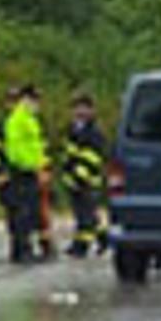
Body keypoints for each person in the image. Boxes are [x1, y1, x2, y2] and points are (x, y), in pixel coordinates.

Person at [0, 84, 51, 264]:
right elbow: (16, 148)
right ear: (25, 99)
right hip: (22, 171)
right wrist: (30, 166)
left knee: (30, 211)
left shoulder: (29, 118)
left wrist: (42, 166)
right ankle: (22, 250)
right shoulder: (18, 119)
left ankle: (25, 248)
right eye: (33, 100)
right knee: (23, 212)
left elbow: (35, 147)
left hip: (31, 170)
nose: (36, 104)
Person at [57, 89, 111, 260]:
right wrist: (67, 174)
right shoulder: (71, 130)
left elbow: (94, 157)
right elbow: (67, 153)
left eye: (83, 108)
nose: (79, 112)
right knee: (86, 212)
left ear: (91, 110)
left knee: (85, 215)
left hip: (88, 181)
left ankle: (81, 246)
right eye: (76, 108)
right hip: (73, 179)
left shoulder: (94, 132)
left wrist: (80, 176)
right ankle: (104, 238)